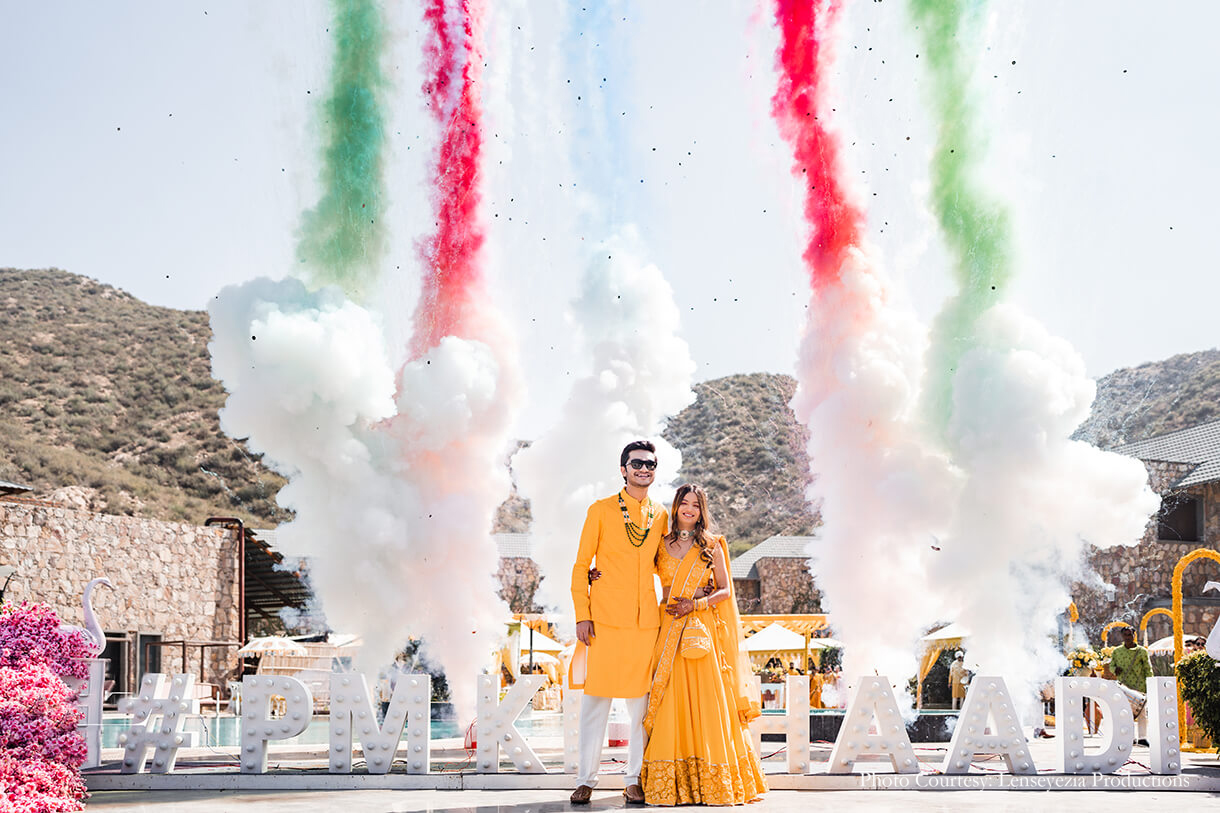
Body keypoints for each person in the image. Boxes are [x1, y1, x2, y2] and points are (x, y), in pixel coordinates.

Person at [640, 483, 766, 806]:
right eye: (685, 503)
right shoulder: (660, 543)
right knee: (671, 700)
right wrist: (599, 573)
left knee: (709, 702)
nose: (690, 509)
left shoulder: (712, 545)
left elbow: (725, 591)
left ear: (702, 511)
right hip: (668, 629)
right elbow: (636, 568)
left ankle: (713, 782)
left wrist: (694, 604)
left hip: (700, 629)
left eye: (696, 505)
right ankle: (676, 784)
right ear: (676, 506)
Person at [569, 441, 668, 806]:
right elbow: (582, 566)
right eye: (637, 463)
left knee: (639, 709)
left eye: (650, 464)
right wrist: (583, 613)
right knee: (595, 702)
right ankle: (585, 780)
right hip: (605, 622)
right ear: (623, 469)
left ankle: (633, 779)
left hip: (646, 625)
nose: (644, 469)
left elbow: (666, 561)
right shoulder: (600, 510)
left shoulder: (661, 514)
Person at [1110, 626, 1153, 745]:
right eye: (1125, 635)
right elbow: (1111, 665)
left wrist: (1150, 684)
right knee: (1125, 712)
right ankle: (1130, 737)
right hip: (1123, 687)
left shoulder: (1142, 651)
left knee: (1142, 712)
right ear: (1122, 636)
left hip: (1140, 686)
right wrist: (1115, 670)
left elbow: (1148, 669)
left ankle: (1143, 737)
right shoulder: (1117, 651)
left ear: (1134, 635)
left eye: (1130, 635)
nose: (1128, 637)